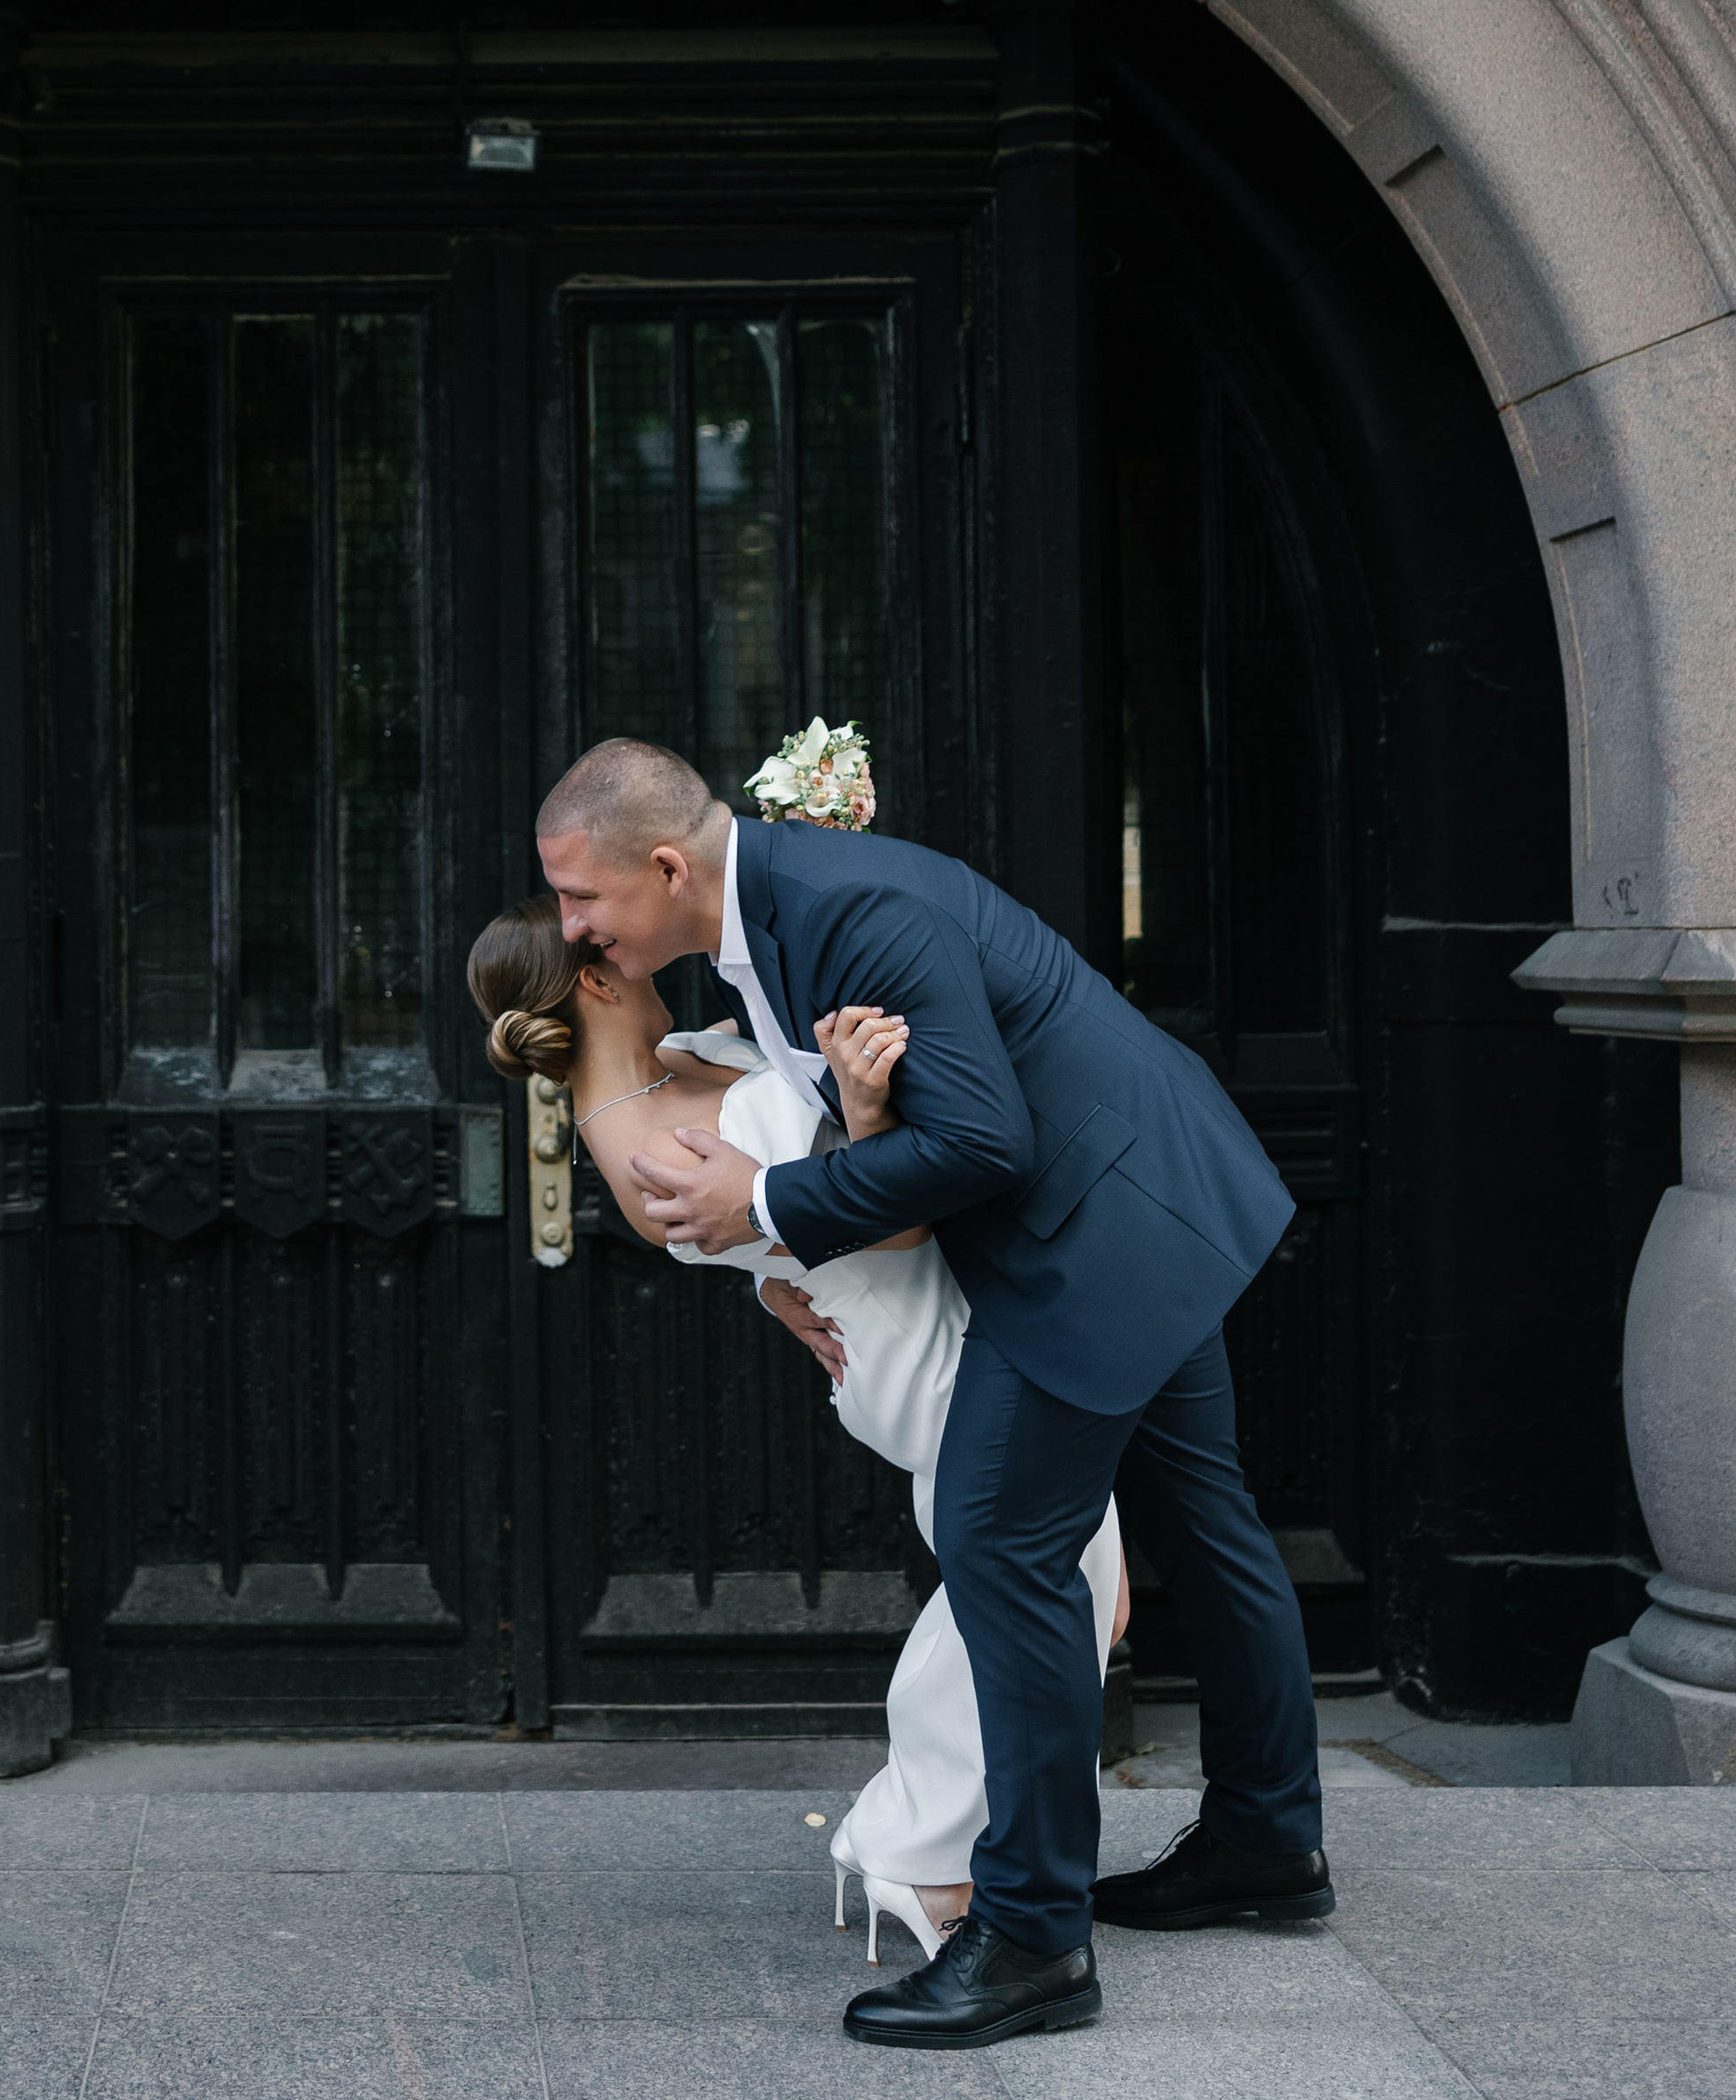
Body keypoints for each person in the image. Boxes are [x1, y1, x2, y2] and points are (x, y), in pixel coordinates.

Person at [536, 737, 1331, 2055]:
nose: (573, 929)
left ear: (666, 866)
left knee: (1003, 1544)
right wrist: (786, 1270)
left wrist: (771, 1205)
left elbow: (980, 1141)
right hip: (1152, 1191)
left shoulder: (849, 914)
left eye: (583, 901)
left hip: (1094, 1233)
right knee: (1205, 1521)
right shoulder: (776, 912)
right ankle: (1264, 1841)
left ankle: (1029, 1937)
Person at [467, 894, 1125, 1964]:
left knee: (1046, 1591)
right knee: (1048, 1591)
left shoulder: (678, 1056)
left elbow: (762, 1219)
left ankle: (910, 1839)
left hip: (938, 1308)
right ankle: (922, 1852)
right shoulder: (634, 1137)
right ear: (594, 978)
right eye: (609, 935)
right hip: (907, 1339)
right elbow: (886, 1219)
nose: (636, 939)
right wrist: (865, 1115)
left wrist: (771, 1276)